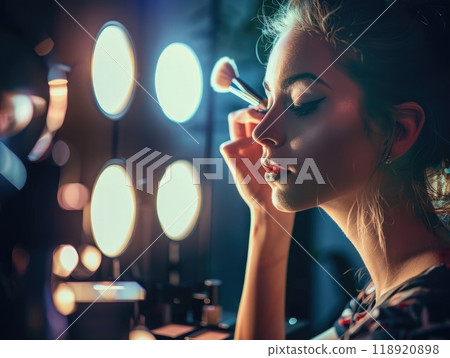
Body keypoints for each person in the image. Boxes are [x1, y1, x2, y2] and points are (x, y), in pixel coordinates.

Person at [220, 0, 450, 340]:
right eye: (268, 103)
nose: (261, 131)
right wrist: (266, 219)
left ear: (397, 131)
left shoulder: (413, 323)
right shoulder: (382, 298)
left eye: (302, 103)